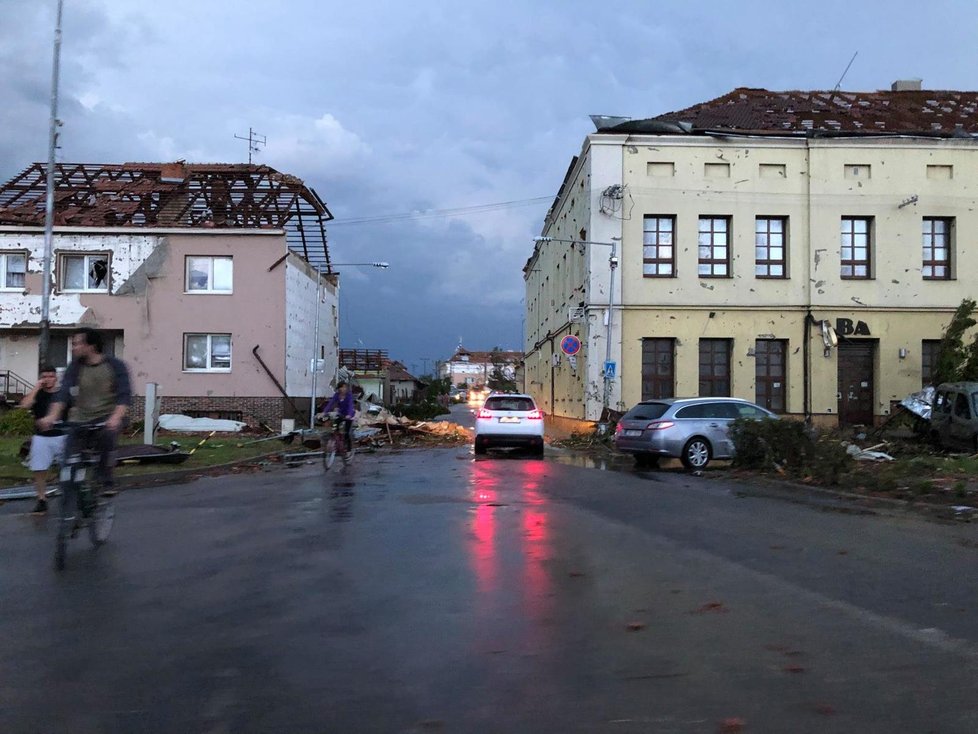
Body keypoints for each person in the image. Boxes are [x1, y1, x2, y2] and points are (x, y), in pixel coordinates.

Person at [37, 327, 132, 495]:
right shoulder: (74, 367)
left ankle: (105, 480)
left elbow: (124, 396)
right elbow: (63, 395)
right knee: (69, 459)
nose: (73, 348)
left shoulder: (115, 366)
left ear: (91, 346)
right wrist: (51, 417)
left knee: (108, 437)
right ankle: (68, 492)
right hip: (79, 420)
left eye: (77, 344)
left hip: (106, 419)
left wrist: (116, 418)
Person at [19, 366, 67, 514]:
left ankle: (70, 497)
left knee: (68, 468)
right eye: (45, 376)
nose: (48, 379)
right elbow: (24, 405)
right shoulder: (38, 394)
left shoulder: (62, 394)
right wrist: (36, 388)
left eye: (51, 376)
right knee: (39, 469)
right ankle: (41, 499)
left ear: (55, 378)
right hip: (41, 437)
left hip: (62, 435)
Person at [319, 381, 355, 454]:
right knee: (335, 428)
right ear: (339, 388)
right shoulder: (337, 395)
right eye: (342, 387)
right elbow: (330, 404)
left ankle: (349, 450)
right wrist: (324, 412)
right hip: (341, 414)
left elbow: (350, 406)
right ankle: (337, 442)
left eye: (345, 387)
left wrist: (349, 415)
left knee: (346, 432)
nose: (344, 389)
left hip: (349, 415)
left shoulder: (349, 395)